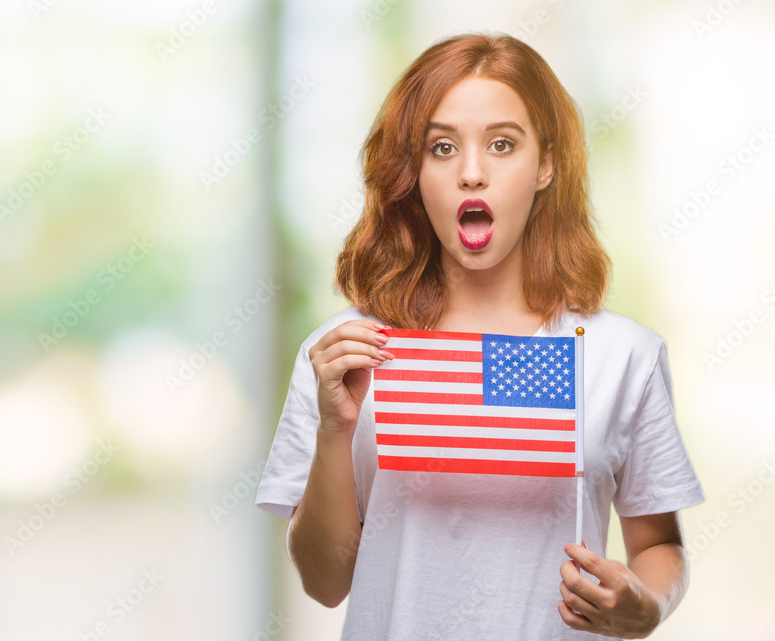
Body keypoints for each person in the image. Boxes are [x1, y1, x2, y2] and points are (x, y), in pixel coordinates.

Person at [255, 32, 704, 639]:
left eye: (501, 145)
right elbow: (325, 582)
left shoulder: (623, 356)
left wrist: (646, 603)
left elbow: (659, 546)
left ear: (545, 164)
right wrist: (335, 430)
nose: (472, 173)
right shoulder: (347, 351)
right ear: (414, 172)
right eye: (442, 148)